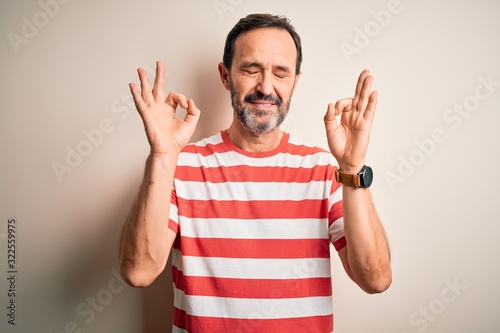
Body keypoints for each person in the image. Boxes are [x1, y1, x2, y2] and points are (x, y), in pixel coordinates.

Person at [119, 13, 391, 333]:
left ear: (295, 82)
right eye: (251, 69)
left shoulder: (326, 173)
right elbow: (139, 272)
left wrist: (353, 168)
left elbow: (375, 279)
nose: (266, 87)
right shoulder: (181, 166)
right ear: (225, 75)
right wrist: (163, 156)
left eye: (280, 73)